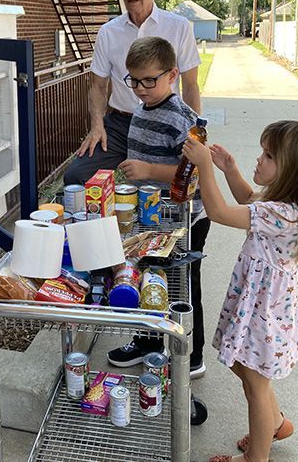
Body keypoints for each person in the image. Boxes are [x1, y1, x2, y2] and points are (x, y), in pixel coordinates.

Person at [182, 120, 298, 462]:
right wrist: (230, 169)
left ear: (292, 172)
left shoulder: (281, 214)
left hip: (262, 309)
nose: (260, 159)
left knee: (255, 384)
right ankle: (277, 424)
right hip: (262, 304)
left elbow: (220, 212)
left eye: (268, 155)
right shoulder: (282, 205)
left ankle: (256, 458)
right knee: (247, 369)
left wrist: (205, 167)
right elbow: (248, 199)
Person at [105, 36, 210, 379]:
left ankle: (190, 355)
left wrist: (148, 170)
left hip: (184, 218)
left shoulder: (182, 118)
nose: (140, 88)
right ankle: (148, 344)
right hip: (154, 215)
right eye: (133, 80)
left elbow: (194, 172)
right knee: (150, 278)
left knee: (182, 287)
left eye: (149, 80)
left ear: (173, 75)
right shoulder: (143, 107)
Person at [63, 0, 201, 186]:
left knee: (179, 180)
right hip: (119, 125)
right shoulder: (108, 32)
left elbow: (190, 84)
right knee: (75, 176)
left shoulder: (179, 27)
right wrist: (97, 126)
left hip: (164, 124)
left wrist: (195, 131)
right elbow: (97, 86)